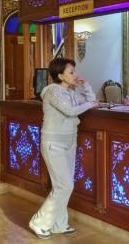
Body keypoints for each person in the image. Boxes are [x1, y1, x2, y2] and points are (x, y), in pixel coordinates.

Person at [29, 58, 99, 239]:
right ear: (60, 75)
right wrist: (90, 104)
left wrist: (86, 86)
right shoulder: (52, 91)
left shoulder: (71, 92)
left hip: (69, 141)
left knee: (63, 185)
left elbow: (93, 101)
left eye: (74, 71)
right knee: (64, 185)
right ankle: (39, 222)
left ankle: (59, 223)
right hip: (53, 143)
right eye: (71, 72)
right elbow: (70, 111)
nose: (75, 75)